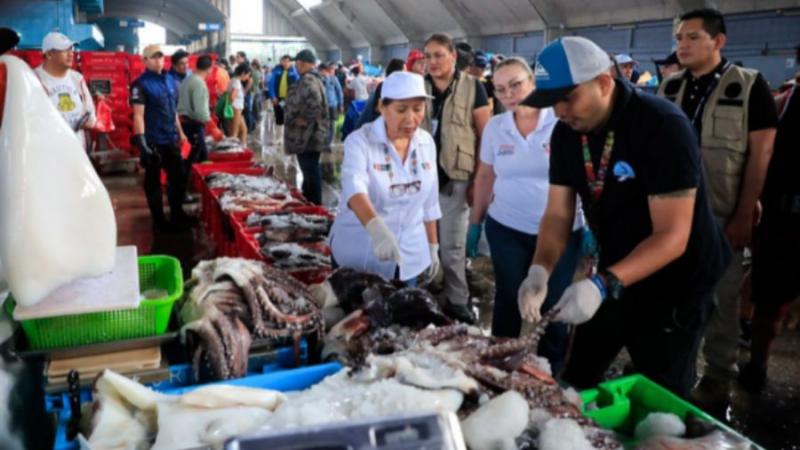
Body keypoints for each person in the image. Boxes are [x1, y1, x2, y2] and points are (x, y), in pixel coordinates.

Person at [518, 36, 731, 398]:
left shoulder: (661, 125)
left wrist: (602, 285)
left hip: (674, 281)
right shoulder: (567, 134)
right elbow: (557, 214)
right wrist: (540, 270)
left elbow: (672, 236)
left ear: (603, 82)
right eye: (553, 101)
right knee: (578, 376)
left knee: (660, 392)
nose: (559, 111)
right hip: (614, 269)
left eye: (568, 98)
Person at [657, 8, 778, 409]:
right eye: (679, 38)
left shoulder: (748, 86)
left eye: (692, 37)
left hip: (721, 214)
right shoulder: (669, 87)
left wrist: (745, 212)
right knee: (673, 297)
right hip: (672, 215)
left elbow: (760, 154)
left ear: (718, 41)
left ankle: (716, 379)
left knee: (722, 301)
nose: (683, 45)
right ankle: (675, 371)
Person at [467, 57, 583, 373]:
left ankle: (550, 370)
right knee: (508, 293)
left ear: (533, 82)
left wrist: (588, 223)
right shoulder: (496, 126)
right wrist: (476, 222)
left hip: (561, 230)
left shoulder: (560, 122)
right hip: (507, 226)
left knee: (554, 302)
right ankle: (501, 364)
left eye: (516, 84)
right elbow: (486, 176)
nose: (510, 94)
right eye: (501, 89)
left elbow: (581, 176)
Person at [328, 71, 441, 284]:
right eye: (401, 110)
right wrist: (377, 230)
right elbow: (355, 189)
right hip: (362, 248)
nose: (411, 118)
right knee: (356, 313)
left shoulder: (426, 142)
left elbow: (430, 202)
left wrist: (432, 245)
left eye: (418, 109)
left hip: (410, 253)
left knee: (402, 312)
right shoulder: (360, 141)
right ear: (381, 107)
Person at [421, 33, 491, 324]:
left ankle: (457, 300)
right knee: (420, 241)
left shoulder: (474, 88)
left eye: (438, 55)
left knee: (452, 244)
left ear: (453, 56)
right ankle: (422, 296)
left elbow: (485, 136)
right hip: (422, 177)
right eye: (428, 56)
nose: (433, 61)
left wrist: (478, 180)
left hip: (456, 177)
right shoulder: (418, 86)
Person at [738, 83, 800, 393]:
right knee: (768, 303)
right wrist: (750, 206)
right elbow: (754, 159)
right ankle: (757, 366)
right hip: (783, 223)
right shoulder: (781, 105)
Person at [131, 44, 192, 233]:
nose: (158, 61)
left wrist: (180, 132)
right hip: (153, 141)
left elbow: (173, 110)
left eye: (160, 57)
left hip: (170, 138)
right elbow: (138, 115)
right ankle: (159, 220)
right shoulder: (140, 84)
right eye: (153, 57)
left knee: (179, 177)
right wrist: (141, 142)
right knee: (153, 181)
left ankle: (177, 213)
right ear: (145, 61)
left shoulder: (170, 80)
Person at [34, 32, 96, 150]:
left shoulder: (77, 79)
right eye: (64, 50)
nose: (71, 54)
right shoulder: (33, 79)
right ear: (49, 54)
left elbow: (91, 115)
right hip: (48, 152)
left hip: (78, 152)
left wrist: (88, 121)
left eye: (71, 49)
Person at [284, 49, 329, 205]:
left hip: (307, 136)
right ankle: (309, 200)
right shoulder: (313, 78)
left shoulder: (308, 80)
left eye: (297, 62)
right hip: (309, 136)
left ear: (302, 63)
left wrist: (303, 120)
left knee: (310, 171)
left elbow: (315, 104)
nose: (296, 65)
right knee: (309, 170)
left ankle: (315, 204)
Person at [177, 55, 212, 171]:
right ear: (209, 69)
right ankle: (183, 186)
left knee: (192, 158)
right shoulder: (199, 84)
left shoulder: (187, 80)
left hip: (184, 124)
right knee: (192, 160)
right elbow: (200, 112)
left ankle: (186, 183)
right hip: (194, 126)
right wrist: (212, 126)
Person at [356, 59, 405, 129]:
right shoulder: (385, 86)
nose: (406, 75)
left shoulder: (393, 87)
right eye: (404, 72)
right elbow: (378, 109)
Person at [268, 55, 300, 144]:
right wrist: (273, 96)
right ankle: (279, 138)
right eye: (283, 61)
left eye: (287, 61)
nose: (285, 63)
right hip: (278, 99)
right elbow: (271, 84)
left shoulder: (295, 72)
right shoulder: (276, 71)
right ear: (281, 62)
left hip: (291, 99)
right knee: (279, 117)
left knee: (291, 118)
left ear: (290, 62)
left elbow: (299, 85)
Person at [227, 63, 252, 144]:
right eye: (247, 75)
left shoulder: (233, 80)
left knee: (243, 130)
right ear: (243, 73)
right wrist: (230, 108)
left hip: (237, 109)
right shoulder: (237, 82)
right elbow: (232, 97)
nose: (248, 77)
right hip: (236, 109)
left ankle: (243, 148)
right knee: (234, 133)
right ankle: (234, 151)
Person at [320, 62, 343, 146]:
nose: (333, 71)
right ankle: (324, 141)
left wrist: (341, 104)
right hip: (322, 105)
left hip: (332, 105)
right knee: (323, 123)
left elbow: (339, 92)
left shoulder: (334, 79)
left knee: (332, 124)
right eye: (331, 69)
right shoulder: (320, 79)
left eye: (334, 69)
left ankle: (329, 143)